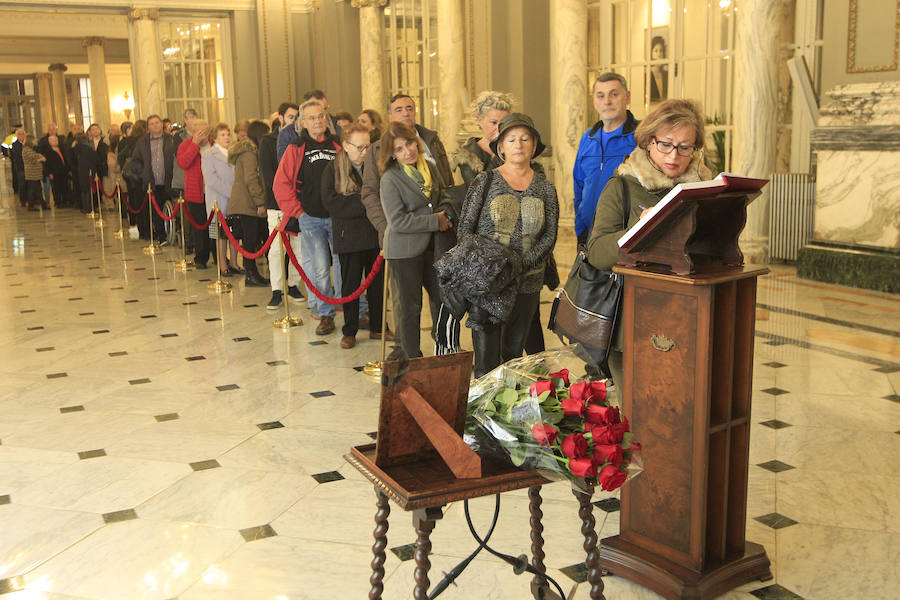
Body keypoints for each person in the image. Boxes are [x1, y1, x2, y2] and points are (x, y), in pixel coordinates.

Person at [587, 98, 711, 387]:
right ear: (647, 141)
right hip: (633, 326)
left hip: (691, 320)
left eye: (685, 147)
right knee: (637, 413)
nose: (674, 155)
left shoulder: (703, 190)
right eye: (665, 144)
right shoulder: (622, 186)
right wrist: (639, 228)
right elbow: (596, 253)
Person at [455, 114, 559, 377]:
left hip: (528, 282)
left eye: (525, 139)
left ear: (534, 146)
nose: (519, 145)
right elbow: (465, 229)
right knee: (486, 357)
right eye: (511, 139)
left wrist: (520, 265)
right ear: (501, 147)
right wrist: (490, 265)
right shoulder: (485, 181)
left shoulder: (545, 188)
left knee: (513, 353)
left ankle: (506, 409)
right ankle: (481, 410)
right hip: (490, 281)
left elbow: (549, 236)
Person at [378, 121, 460, 360]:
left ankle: (445, 351)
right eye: (400, 149)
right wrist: (435, 221)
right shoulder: (390, 179)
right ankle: (411, 358)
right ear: (392, 154)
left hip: (435, 247)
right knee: (410, 309)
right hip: (404, 251)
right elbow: (399, 221)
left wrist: (448, 213)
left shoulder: (430, 168)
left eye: (410, 143)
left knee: (443, 301)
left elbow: (442, 195)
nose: (408, 151)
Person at [273, 99, 342, 335]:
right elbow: (281, 184)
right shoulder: (296, 146)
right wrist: (298, 211)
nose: (318, 121)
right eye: (312, 118)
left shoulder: (337, 145)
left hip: (338, 216)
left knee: (344, 265)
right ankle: (325, 314)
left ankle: (351, 307)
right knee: (320, 268)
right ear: (303, 122)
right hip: (310, 217)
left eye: (321, 116)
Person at [321, 123, 390, 349]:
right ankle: (349, 331)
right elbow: (332, 203)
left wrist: (366, 202)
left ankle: (378, 328)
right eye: (359, 147)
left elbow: (384, 196)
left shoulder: (377, 167)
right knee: (350, 286)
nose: (364, 152)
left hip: (374, 235)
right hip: (348, 236)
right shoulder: (333, 168)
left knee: (378, 285)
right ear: (345, 146)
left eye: (367, 146)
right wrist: (367, 202)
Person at [361, 94, 453, 249]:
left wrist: (446, 217)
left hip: (438, 233)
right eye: (399, 110)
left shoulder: (432, 140)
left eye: (409, 108)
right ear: (390, 117)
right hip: (404, 237)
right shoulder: (377, 149)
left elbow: (447, 183)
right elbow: (370, 194)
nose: (405, 113)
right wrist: (387, 227)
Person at [573, 72, 638, 247]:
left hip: (624, 237)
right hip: (589, 237)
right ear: (594, 101)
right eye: (600, 96)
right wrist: (580, 231)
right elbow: (579, 190)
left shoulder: (641, 137)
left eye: (614, 94)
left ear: (628, 97)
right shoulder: (588, 138)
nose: (607, 101)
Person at [260, 102, 304, 310]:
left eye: (297, 116)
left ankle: (294, 284)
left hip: (299, 201)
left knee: (299, 247)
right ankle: (277, 289)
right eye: (290, 116)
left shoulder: (303, 139)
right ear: (281, 118)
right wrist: (284, 194)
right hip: (276, 202)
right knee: (277, 248)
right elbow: (269, 174)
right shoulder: (268, 141)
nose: (293, 121)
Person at [228, 119, 271, 287]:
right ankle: (251, 275)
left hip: (249, 201)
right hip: (247, 203)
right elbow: (251, 179)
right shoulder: (249, 153)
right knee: (250, 240)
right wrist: (260, 201)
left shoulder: (251, 152)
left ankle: (255, 274)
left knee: (254, 239)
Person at [450, 90, 513, 185]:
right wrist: (498, 153)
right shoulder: (468, 155)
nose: (499, 129)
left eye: (503, 123)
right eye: (493, 123)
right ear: (480, 120)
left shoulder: (516, 149)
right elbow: (480, 192)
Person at [202, 122, 239, 278]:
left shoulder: (234, 152)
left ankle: (235, 263)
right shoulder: (209, 155)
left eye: (228, 134)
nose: (227, 137)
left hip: (235, 200)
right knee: (221, 235)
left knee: (235, 232)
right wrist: (232, 192)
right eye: (223, 135)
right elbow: (211, 180)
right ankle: (223, 265)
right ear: (215, 138)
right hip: (218, 200)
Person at [131, 115, 176, 240]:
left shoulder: (170, 139)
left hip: (168, 181)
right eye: (151, 124)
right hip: (151, 183)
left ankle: (172, 233)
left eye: (157, 122)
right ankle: (161, 235)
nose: (155, 125)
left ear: (161, 124)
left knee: (170, 208)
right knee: (155, 211)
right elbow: (135, 161)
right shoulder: (142, 142)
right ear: (148, 127)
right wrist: (144, 171)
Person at [176, 117, 211, 268]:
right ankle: (201, 257)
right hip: (195, 192)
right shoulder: (185, 145)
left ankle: (218, 256)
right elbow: (183, 163)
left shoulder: (213, 144)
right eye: (199, 132)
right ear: (193, 132)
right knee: (199, 227)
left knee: (215, 226)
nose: (202, 135)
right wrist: (195, 145)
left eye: (205, 132)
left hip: (212, 192)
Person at [277, 90, 340, 161]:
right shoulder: (289, 134)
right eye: (312, 117)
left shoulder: (336, 128)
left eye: (325, 108)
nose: (318, 121)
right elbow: (285, 166)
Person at [170, 108, 199, 203]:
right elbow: (179, 155)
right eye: (190, 117)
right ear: (185, 120)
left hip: (198, 178)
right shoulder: (178, 136)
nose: (193, 120)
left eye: (194, 117)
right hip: (183, 179)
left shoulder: (201, 134)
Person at [21, 134, 47, 211]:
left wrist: (40, 156)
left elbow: (36, 155)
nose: (35, 141)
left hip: (35, 174)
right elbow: (33, 159)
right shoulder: (26, 150)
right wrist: (41, 159)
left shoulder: (30, 149)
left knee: (38, 190)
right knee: (32, 190)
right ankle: (31, 206)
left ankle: (43, 204)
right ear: (30, 141)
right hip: (32, 174)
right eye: (34, 140)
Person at [45, 134, 70, 208]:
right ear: (50, 142)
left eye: (56, 140)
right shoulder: (48, 152)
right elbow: (47, 164)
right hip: (54, 172)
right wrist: (49, 173)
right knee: (56, 188)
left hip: (63, 172)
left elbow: (65, 160)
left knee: (64, 187)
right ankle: (58, 202)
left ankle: (65, 201)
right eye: (53, 141)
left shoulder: (61, 149)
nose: (55, 142)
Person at [650, 36, 668, 103]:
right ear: (651, 53)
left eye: (661, 51)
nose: (659, 54)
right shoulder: (647, 75)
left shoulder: (667, 74)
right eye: (656, 51)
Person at [11, 128, 26, 207]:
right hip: (21, 168)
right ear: (17, 136)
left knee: (29, 185)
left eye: (23, 134)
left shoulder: (26, 143)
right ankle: (23, 201)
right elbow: (20, 155)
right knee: (22, 185)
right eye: (19, 134)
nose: (21, 136)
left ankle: (30, 199)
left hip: (28, 168)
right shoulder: (15, 145)